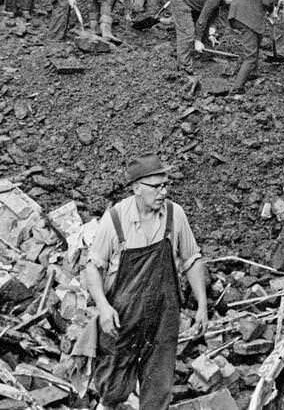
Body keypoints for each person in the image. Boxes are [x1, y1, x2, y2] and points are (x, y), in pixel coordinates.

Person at [84, 154, 207, 410]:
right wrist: (103, 307)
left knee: (158, 386)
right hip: (123, 316)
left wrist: (202, 307)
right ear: (137, 187)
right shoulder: (115, 219)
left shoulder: (175, 215)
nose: (163, 192)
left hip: (163, 314)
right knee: (113, 385)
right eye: (156, 186)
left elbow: (192, 259)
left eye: (166, 185)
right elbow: (93, 268)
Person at [227, 0, 276, 94]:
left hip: (238, 14)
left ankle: (252, 73)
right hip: (248, 17)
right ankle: (237, 88)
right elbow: (266, 1)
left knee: (257, 40)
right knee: (251, 56)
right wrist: (272, 12)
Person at [170, 0, 227, 84]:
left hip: (195, 0)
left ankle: (205, 57)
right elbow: (202, 19)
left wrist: (212, 31)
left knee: (204, 28)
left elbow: (214, 12)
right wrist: (197, 40)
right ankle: (184, 68)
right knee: (187, 33)